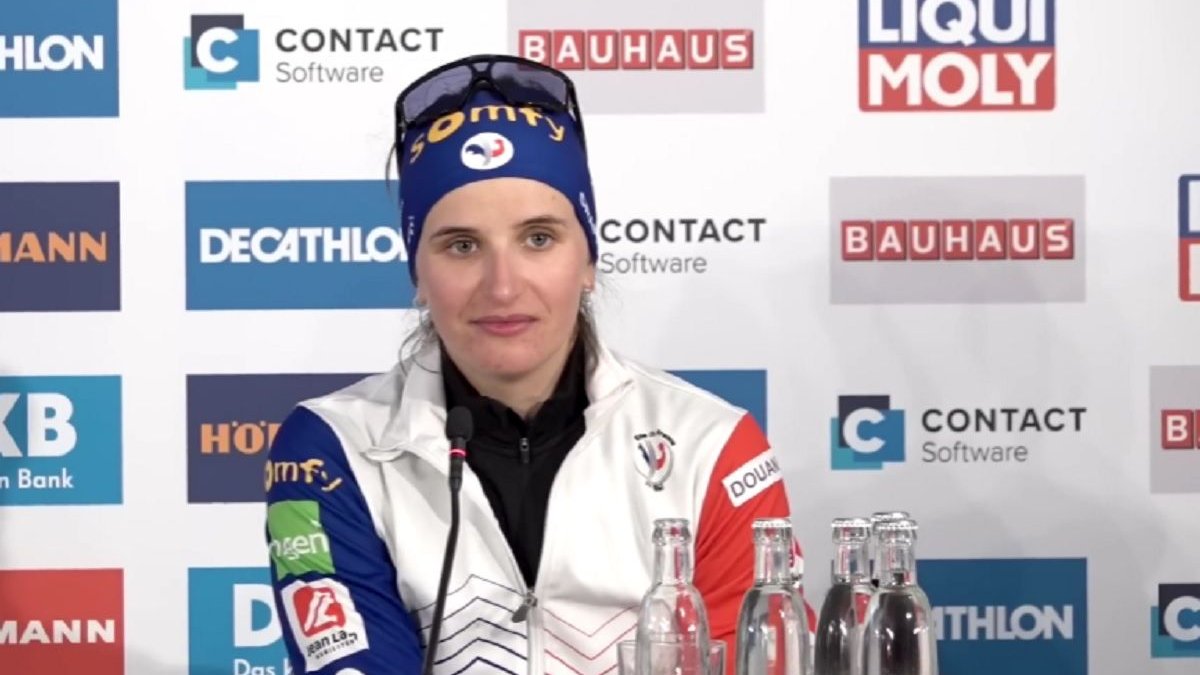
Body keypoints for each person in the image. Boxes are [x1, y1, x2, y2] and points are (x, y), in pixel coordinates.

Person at [263, 54, 813, 674]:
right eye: (462, 245)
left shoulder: (713, 445)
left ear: (588, 261)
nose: (503, 286)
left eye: (539, 239)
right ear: (418, 273)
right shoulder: (331, 448)